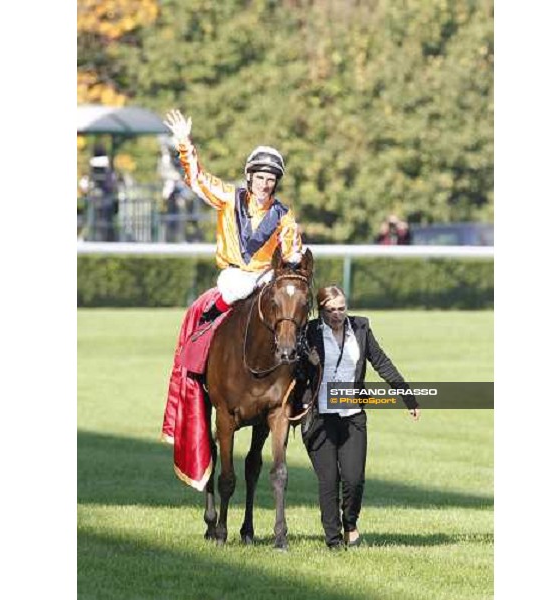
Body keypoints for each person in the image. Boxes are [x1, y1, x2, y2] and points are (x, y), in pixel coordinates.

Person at [295, 285, 421, 550]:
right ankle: (333, 539)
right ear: (321, 310)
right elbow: (291, 371)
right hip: (319, 417)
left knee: (354, 479)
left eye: (342, 308)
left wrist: (406, 396)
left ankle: (350, 523)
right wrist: (309, 361)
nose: (337, 315)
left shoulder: (361, 329)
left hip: (352, 415)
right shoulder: (309, 332)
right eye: (331, 310)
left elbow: (381, 362)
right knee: (329, 480)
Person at [163, 109, 303, 324]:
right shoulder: (229, 198)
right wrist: (183, 141)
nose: (264, 185)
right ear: (249, 177)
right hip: (235, 278)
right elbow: (196, 179)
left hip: (267, 277)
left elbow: (292, 253)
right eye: (260, 178)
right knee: (240, 287)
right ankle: (208, 321)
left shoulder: (284, 216)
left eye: (270, 180)